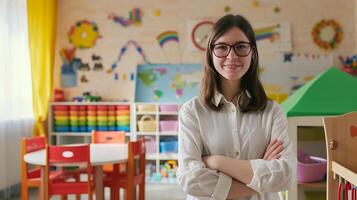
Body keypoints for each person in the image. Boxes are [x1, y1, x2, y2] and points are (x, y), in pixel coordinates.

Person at [177, 14, 296, 200]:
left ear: (253, 52)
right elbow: (190, 179)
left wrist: (216, 162)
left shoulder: (272, 112)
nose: (232, 56)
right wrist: (259, 179)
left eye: (241, 47)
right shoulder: (192, 111)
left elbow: (286, 174)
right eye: (222, 47)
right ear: (211, 53)